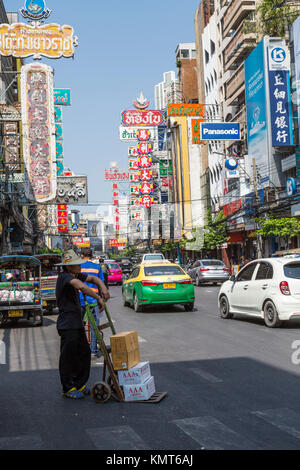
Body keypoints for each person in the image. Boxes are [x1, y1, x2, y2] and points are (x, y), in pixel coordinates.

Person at [56, 249, 109, 400]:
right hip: (67, 324)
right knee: (68, 357)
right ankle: (68, 387)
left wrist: (103, 287)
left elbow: (93, 279)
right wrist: (98, 297)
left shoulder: (75, 274)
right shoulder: (65, 277)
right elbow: (82, 286)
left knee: (84, 353)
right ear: (68, 267)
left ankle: (79, 384)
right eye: (76, 264)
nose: (80, 266)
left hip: (77, 322)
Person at [79, 249, 108, 359]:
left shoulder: (78, 267)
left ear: (82, 255)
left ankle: (81, 349)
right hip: (93, 300)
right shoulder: (96, 267)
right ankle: (93, 351)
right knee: (94, 326)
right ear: (91, 256)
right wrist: (101, 300)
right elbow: (101, 284)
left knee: (80, 326)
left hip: (80, 300)